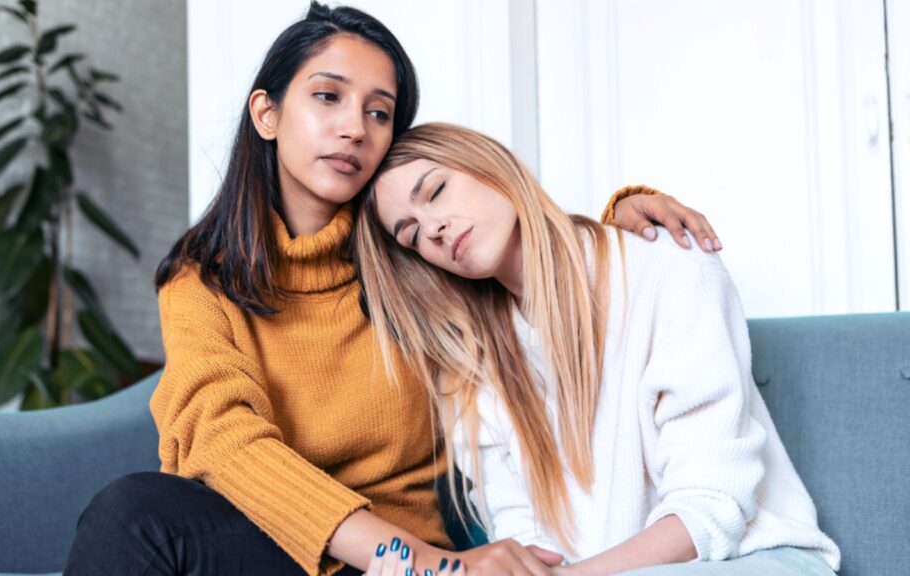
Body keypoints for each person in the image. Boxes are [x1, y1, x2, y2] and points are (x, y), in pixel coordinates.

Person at [64, 4, 721, 575]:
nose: (355, 126)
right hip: (312, 553)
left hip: (399, 564)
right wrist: (428, 566)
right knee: (133, 514)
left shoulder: (412, 253)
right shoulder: (202, 279)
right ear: (266, 112)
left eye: (379, 112)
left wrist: (622, 218)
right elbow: (223, 441)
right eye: (328, 97)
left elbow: (522, 249)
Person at [354, 122, 841, 576]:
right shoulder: (468, 363)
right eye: (413, 234)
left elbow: (711, 506)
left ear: (491, 163)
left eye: (436, 191)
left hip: (750, 558)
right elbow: (523, 537)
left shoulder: (671, 268)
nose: (434, 228)